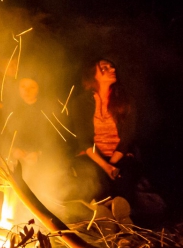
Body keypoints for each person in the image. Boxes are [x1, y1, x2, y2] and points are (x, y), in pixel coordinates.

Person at [66, 59, 163, 221]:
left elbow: (127, 137)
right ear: (93, 75)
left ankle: (124, 221)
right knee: (93, 179)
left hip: (119, 155)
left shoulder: (125, 101)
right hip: (96, 158)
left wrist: (113, 163)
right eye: (104, 68)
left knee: (123, 179)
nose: (111, 69)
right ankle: (101, 218)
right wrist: (105, 166)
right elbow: (84, 140)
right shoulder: (80, 103)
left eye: (112, 66)